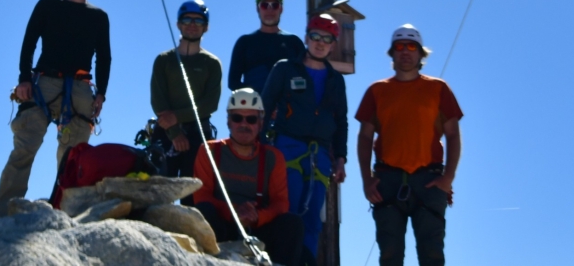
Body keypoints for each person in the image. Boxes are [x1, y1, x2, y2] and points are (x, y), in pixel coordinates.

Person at [0, 0, 112, 213]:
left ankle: (66, 212)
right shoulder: (48, 5)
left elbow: (104, 57)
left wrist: (101, 93)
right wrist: (24, 79)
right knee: (26, 145)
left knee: (73, 157)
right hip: (44, 82)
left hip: (80, 87)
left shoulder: (99, 17)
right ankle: (1, 210)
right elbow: (29, 42)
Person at [356, 26, 463, 266]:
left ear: (421, 54)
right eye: (400, 46)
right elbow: (364, 137)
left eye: (412, 46)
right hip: (387, 180)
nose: (405, 51)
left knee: (432, 255)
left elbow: (453, 135)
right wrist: (366, 180)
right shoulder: (376, 91)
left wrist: (448, 178)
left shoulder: (438, 89)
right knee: (389, 255)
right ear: (392, 53)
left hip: (429, 180)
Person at [261, 14, 348, 266]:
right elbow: (265, 107)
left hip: (320, 154)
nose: (320, 43)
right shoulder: (285, 69)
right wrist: (261, 147)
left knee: (312, 219)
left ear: (333, 45)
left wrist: (340, 158)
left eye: (327, 39)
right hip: (287, 146)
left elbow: (341, 121)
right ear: (306, 38)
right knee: (287, 210)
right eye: (315, 36)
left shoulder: (335, 80)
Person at [193, 89, 304, 266]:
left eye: (251, 119)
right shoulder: (209, 151)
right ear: (228, 121)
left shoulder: (273, 157)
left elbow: (280, 203)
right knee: (204, 211)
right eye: (237, 118)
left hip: (258, 228)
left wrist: (257, 217)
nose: (243, 124)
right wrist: (235, 213)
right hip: (222, 226)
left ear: (260, 123)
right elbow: (202, 196)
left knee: (292, 224)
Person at [149, 0, 223, 202]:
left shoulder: (212, 63)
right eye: (187, 19)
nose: (192, 24)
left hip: (199, 133)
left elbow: (210, 104)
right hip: (166, 133)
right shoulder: (164, 60)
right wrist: (175, 132)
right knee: (160, 193)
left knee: (195, 195)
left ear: (206, 27)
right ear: (178, 24)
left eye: (198, 21)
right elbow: (158, 101)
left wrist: (176, 117)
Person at [229, 0, 306, 92]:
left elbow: (305, 78)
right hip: (255, 102)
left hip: (288, 102)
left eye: (274, 5)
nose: (270, 10)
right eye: (265, 5)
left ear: (281, 9)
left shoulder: (294, 42)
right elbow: (233, 82)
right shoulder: (244, 43)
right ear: (258, 9)